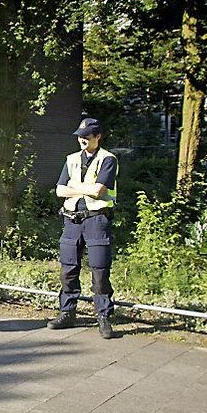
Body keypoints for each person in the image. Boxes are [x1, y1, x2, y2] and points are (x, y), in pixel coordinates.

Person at [49, 118, 119, 339]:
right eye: (80, 136)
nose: (82, 139)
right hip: (72, 220)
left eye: (87, 136)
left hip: (97, 220)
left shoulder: (108, 159)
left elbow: (98, 191)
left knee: (99, 270)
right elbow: (60, 191)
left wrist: (75, 187)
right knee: (68, 269)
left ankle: (104, 317)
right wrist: (83, 189)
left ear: (98, 137)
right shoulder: (71, 160)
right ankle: (68, 312)